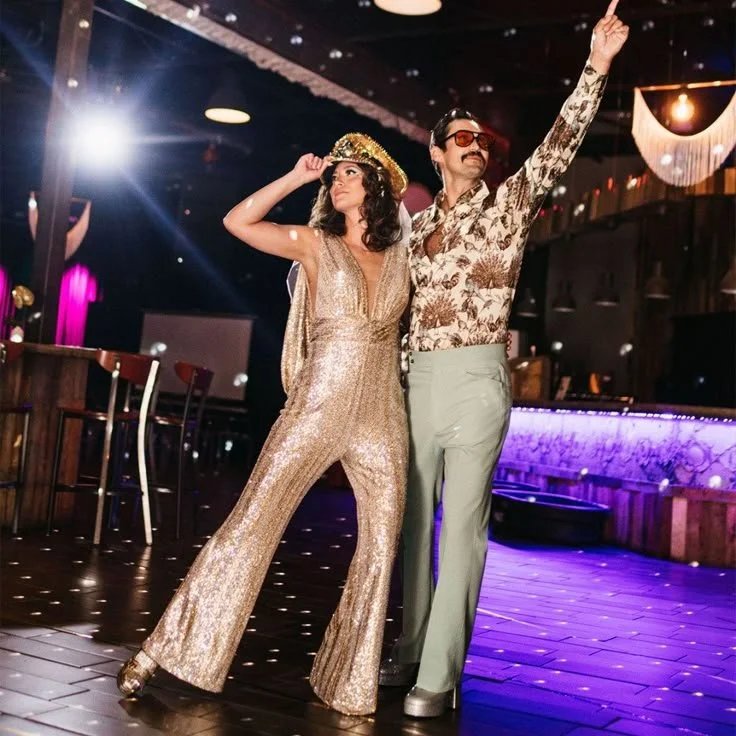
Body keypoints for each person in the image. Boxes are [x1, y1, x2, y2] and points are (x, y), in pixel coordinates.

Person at [380, 1, 630, 718]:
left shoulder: (509, 205)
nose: (474, 144)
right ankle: (411, 647)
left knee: (462, 528)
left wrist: (596, 66)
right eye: (460, 138)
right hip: (417, 381)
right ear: (435, 153)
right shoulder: (414, 230)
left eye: (480, 138)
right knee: (411, 528)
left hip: (477, 380)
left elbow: (559, 144)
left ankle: (438, 675)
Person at [117, 133, 412, 716]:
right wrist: (297, 177)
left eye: (350, 173)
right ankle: (162, 652)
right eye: (334, 175)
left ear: (376, 186)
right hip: (318, 405)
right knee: (253, 523)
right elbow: (237, 221)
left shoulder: (404, 260)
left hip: (383, 414)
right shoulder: (315, 244)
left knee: (382, 546)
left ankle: (348, 684)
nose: (338, 181)